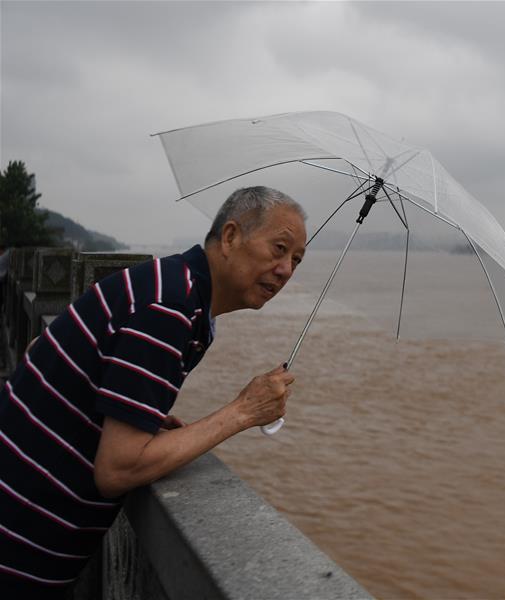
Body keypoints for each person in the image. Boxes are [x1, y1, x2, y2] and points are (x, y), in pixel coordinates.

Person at [0, 186, 307, 598]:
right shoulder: (168, 309)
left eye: (296, 260)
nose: (285, 270)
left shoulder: (169, 284)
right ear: (230, 237)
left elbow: (47, 349)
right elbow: (118, 470)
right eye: (279, 248)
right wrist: (243, 411)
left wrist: (127, 408)